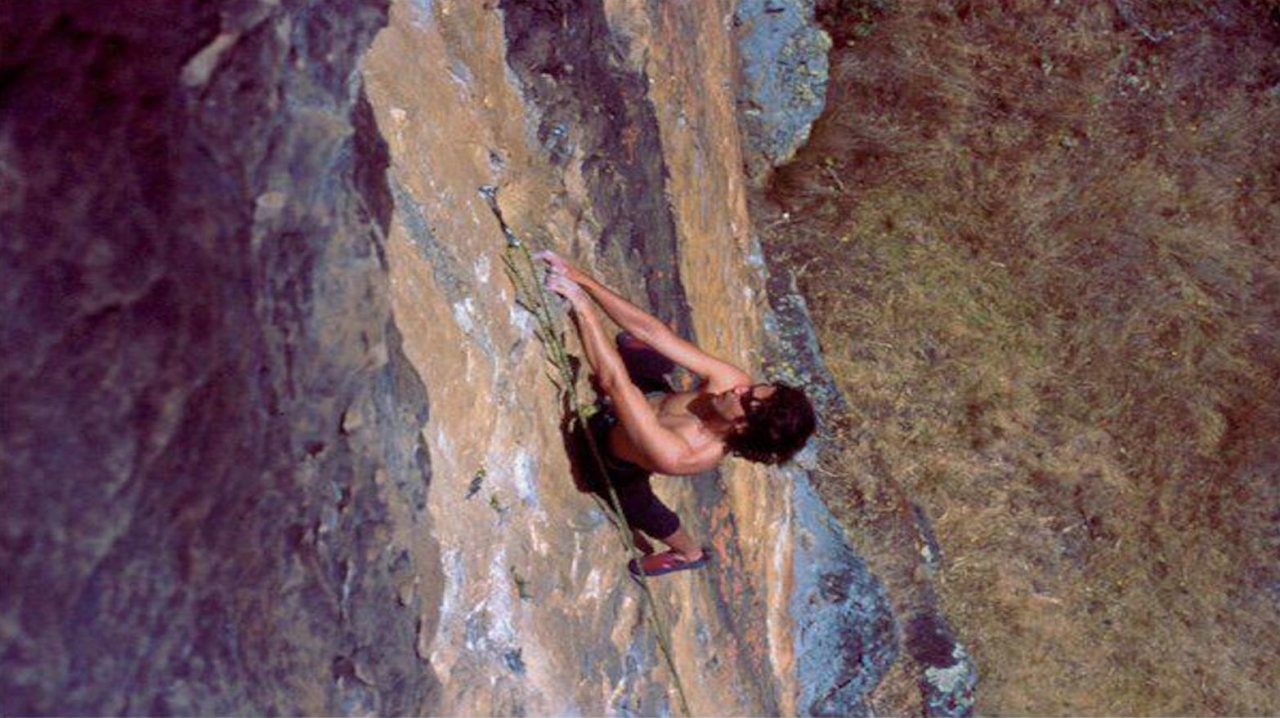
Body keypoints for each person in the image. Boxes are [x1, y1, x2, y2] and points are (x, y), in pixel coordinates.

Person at [538, 251, 816, 577]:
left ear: (741, 427)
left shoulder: (686, 455)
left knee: (640, 506)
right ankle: (647, 360)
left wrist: (582, 308)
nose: (741, 388)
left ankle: (688, 553)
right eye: (754, 388)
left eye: (747, 400)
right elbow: (653, 332)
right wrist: (578, 276)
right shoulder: (734, 385)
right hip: (648, 396)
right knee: (644, 346)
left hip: (609, 452)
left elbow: (615, 384)